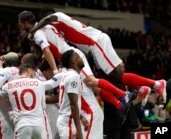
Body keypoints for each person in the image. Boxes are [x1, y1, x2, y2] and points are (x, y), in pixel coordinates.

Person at [28, 7, 167, 104]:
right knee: (113, 76)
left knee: (116, 76)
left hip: (95, 43)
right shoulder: (59, 26)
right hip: (96, 43)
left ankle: (156, 84)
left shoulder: (55, 16)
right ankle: (141, 88)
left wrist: (33, 30)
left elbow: (48, 19)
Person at [18, 11, 132, 113]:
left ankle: (123, 94)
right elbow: (48, 50)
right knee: (93, 86)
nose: (20, 26)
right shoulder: (44, 28)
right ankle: (119, 104)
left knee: (92, 81)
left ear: (26, 22)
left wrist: (55, 70)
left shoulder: (39, 31)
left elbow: (47, 51)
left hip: (72, 56)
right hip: (68, 58)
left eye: (20, 23)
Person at [0, 63, 51, 139]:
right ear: (29, 70)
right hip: (38, 124)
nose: (34, 75)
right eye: (34, 72)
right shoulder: (39, 83)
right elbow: (43, 106)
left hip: (22, 125)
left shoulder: (8, 85)